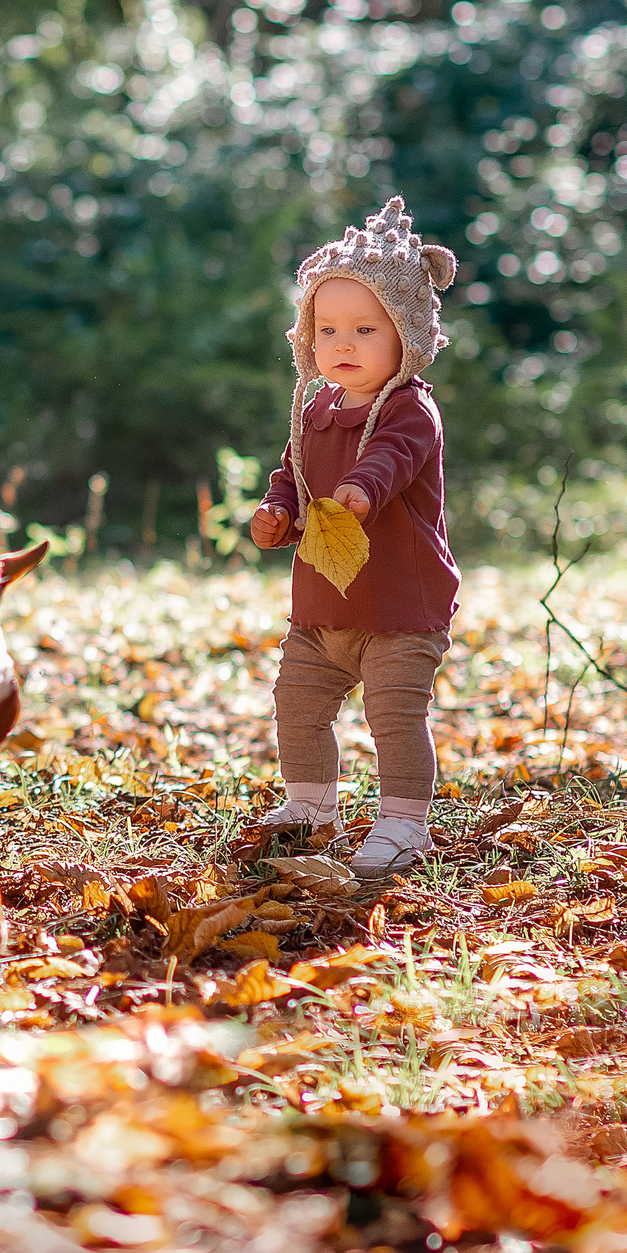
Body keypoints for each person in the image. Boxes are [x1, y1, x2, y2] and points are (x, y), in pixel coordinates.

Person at [248, 197, 462, 881]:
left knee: (394, 715)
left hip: (400, 606)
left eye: (366, 329)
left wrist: (361, 491)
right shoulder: (316, 407)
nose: (343, 344)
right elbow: (292, 473)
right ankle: (311, 806)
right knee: (297, 703)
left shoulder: (410, 408)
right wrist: (278, 510)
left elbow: (390, 461)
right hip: (324, 604)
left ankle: (403, 823)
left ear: (407, 335)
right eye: (328, 329)